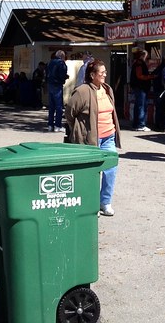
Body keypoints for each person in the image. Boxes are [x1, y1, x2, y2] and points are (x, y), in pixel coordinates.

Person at [66, 60, 121, 217]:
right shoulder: (82, 91)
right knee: (91, 173)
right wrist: (79, 130)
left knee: (111, 169)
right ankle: (91, 204)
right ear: (92, 75)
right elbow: (70, 113)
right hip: (90, 139)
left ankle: (105, 202)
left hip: (108, 137)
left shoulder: (107, 89)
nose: (104, 75)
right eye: (101, 72)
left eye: (105, 72)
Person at [46, 49, 69, 132]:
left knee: (51, 106)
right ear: (62, 56)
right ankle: (57, 126)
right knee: (59, 107)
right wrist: (66, 77)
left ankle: (50, 125)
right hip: (57, 85)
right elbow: (62, 75)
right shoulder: (61, 63)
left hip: (50, 85)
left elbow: (46, 74)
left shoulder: (50, 63)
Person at [129, 49, 152, 131]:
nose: (147, 58)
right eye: (146, 56)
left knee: (138, 106)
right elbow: (140, 75)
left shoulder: (136, 63)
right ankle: (141, 124)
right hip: (141, 87)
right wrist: (150, 77)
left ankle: (136, 124)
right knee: (141, 106)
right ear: (143, 56)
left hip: (138, 87)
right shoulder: (139, 63)